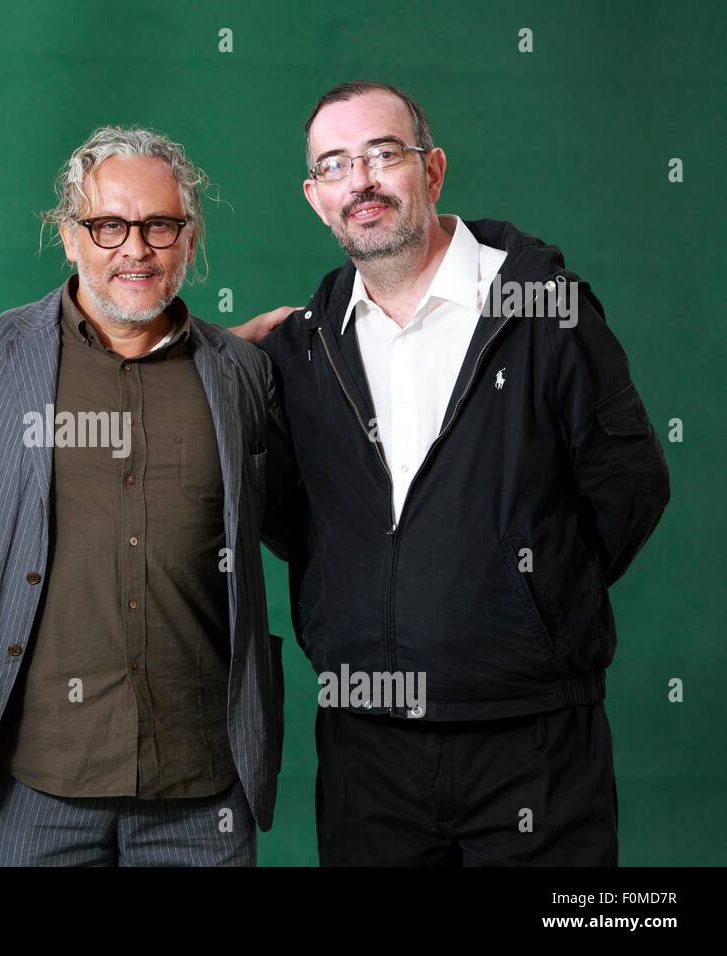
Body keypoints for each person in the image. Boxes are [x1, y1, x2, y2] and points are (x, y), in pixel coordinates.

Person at [253, 80, 670, 865]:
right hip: (365, 747)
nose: (362, 181)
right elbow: (291, 514)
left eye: (384, 154)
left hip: (533, 739)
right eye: (336, 165)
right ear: (316, 197)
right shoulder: (302, 351)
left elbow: (631, 485)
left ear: (433, 170)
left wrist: (527, 596)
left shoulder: (547, 311)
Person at [0, 126, 292, 866]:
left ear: (187, 239)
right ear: (69, 236)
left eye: (160, 225)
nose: (136, 248)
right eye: (109, 226)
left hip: (201, 787)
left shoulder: (242, 376)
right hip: (29, 784)